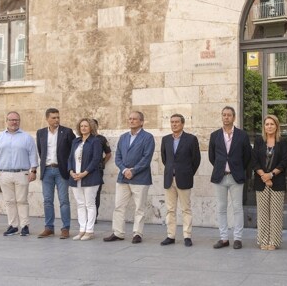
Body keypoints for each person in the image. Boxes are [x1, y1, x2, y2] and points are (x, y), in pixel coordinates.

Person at [103, 111, 155, 243]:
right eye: (130, 119)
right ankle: (118, 232)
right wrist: (124, 169)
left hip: (140, 178)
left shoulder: (148, 137)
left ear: (141, 122)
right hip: (123, 178)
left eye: (135, 119)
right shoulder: (123, 137)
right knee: (119, 206)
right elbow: (118, 157)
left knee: (139, 208)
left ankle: (137, 233)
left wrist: (134, 170)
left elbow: (146, 158)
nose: (131, 121)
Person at [0, 111, 38, 237]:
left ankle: (25, 226)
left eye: (16, 120)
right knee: (9, 201)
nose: (14, 122)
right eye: (11, 120)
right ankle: (13, 226)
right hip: (4, 174)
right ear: (6, 121)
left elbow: (33, 155)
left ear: (19, 121)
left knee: (22, 201)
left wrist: (34, 171)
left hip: (22, 173)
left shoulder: (27, 138)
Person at [209, 106, 251, 249]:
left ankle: (237, 238)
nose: (226, 117)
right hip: (220, 177)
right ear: (222, 117)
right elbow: (212, 157)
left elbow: (247, 157)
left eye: (229, 115)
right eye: (224, 115)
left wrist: (237, 168)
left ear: (234, 117)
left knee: (237, 208)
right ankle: (224, 238)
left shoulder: (242, 135)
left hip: (236, 177)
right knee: (221, 208)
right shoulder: (214, 135)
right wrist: (221, 167)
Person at [160, 114, 201, 247]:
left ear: (182, 124)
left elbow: (196, 159)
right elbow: (165, 159)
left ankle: (187, 236)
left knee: (186, 209)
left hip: (184, 178)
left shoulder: (191, 139)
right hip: (169, 179)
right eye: (172, 122)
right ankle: (170, 236)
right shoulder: (165, 139)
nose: (174, 124)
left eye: (177, 122)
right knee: (170, 209)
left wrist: (187, 173)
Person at [36, 108, 76, 239]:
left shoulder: (67, 132)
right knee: (47, 200)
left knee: (64, 201)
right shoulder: (40, 133)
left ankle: (65, 228)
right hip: (47, 170)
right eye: (53, 118)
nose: (56, 120)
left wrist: (71, 169)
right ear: (47, 118)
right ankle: (49, 228)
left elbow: (73, 152)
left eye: (58, 117)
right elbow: (41, 151)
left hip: (61, 170)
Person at [251, 115, 287, 250]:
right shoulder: (259, 141)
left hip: (277, 182)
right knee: (263, 214)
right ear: (264, 127)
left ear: (276, 126)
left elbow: (284, 162)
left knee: (276, 214)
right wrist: (264, 176)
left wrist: (271, 175)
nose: (269, 126)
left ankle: (274, 241)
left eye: (272, 124)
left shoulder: (282, 142)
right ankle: (263, 240)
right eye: (267, 124)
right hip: (261, 183)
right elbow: (254, 161)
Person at [67, 118, 103, 241]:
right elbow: (70, 158)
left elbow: (96, 159)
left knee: (90, 204)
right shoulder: (75, 141)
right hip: (75, 178)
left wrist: (84, 173)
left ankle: (89, 230)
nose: (83, 128)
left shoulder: (95, 141)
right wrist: (71, 171)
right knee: (80, 204)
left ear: (91, 127)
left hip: (90, 178)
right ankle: (82, 229)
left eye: (86, 126)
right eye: (81, 126)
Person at [93, 119, 112, 223]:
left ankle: (94, 216)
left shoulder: (101, 139)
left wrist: (102, 163)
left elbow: (108, 154)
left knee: (96, 193)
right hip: (84, 171)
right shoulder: (82, 139)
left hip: (97, 170)